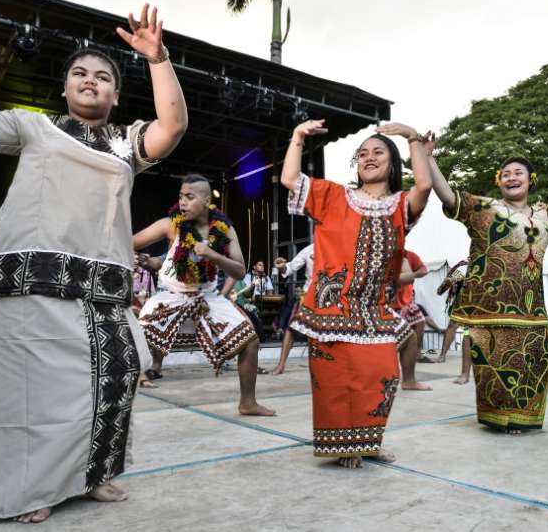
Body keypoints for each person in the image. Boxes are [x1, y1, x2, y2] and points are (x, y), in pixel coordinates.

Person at [0, 1, 188, 522]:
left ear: (116, 94)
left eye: (104, 78)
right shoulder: (33, 128)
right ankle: (29, 490)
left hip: (102, 289)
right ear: (65, 88)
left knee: (114, 376)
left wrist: (158, 59)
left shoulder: (126, 143)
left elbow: (173, 126)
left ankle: (93, 474)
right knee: (27, 396)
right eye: (80, 74)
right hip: (29, 285)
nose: (91, 81)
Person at [282, 118, 433, 468]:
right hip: (331, 309)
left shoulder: (400, 206)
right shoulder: (333, 196)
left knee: (382, 377)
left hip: (375, 309)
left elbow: (424, 185)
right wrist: (297, 136)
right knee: (336, 381)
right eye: (363, 153)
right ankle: (344, 447)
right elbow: (290, 179)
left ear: (392, 164)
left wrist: (412, 139)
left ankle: (367, 441)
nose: (369, 157)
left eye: (378, 152)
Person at [427, 142, 548, 433]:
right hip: (489, 307)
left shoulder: (546, 214)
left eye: (518, 172)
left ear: (530, 180)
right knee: (494, 364)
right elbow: (447, 194)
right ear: (499, 181)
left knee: (543, 357)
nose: (511, 177)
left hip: (530, 307)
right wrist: (428, 157)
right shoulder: (483, 208)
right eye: (505, 174)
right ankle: (500, 418)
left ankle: (522, 415)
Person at [135, 174, 275, 416]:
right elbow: (133, 242)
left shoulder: (224, 229)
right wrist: (143, 259)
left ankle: (248, 403)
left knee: (250, 341)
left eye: (190, 197)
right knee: (134, 334)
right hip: (170, 295)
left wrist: (213, 255)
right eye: (181, 196)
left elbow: (240, 270)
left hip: (208, 298)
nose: (183, 202)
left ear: (207, 200)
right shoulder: (171, 224)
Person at [271, 243, 314, 374]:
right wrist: (283, 267)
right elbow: (290, 268)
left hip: (330, 298)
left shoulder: (336, 248)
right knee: (291, 328)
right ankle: (281, 365)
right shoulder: (309, 250)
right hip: (308, 296)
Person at [394, 250, 434, 390]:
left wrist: (412, 273)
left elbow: (421, 271)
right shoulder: (383, 252)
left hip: (406, 302)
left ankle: (416, 357)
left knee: (416, 329)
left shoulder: (407, 255)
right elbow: (405, 277)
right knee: (398, 341)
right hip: (385, 305)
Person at [434, 261, 473, 384]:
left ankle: (466, 372)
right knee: (453, 327)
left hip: (481, 305)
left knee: (470, 334)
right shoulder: (464, 267)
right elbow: (442, 289)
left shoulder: (488, 264)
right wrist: (450, 281)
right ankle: (442, 355)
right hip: (462, 304)